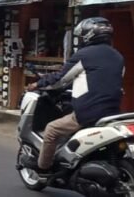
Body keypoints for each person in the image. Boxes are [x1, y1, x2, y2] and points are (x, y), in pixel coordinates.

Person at [21, 17, 124, 175]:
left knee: (51, 129)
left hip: (89, 112)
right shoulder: (118, 56)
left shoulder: (84, 54)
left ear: (89, 35)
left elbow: (61, 78)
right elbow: (104, 79)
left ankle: (43, 167)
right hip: (112, 112)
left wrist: (37, 84)